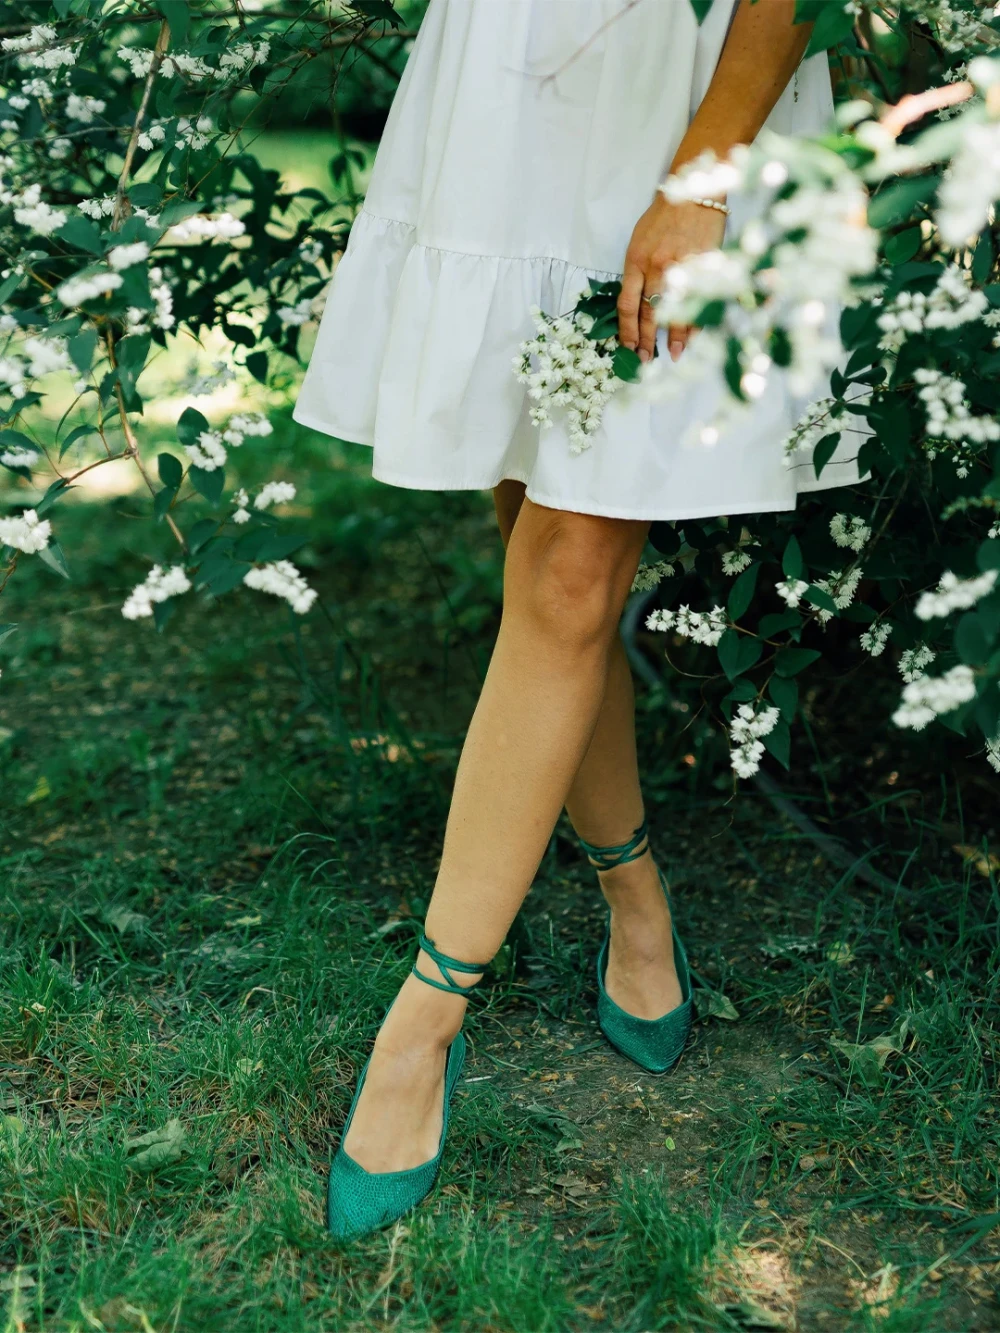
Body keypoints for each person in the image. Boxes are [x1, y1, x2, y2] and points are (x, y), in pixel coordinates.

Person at [294, 0, 860, 1240]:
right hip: (511, 86)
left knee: (569, 572)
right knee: (537, 551)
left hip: (687, 94)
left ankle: (422, 1024)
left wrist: (703, 177)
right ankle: (633, 889)